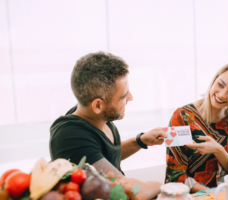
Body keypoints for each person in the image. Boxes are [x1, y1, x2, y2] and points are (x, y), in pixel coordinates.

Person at [50, 51, 167, 199]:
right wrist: (159, 185)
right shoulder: (70, 137)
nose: (130, 98)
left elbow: (103, 156)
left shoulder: (93, 115)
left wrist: (140, 141)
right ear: (98, 105)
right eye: (123, 96)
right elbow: (128, 191)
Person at [165, 62, 228, 192]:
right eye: (220, 84)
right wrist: (214, 194)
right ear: (214, 80)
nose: (222, 94)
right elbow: (173, 177)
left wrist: (219, 151)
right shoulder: (181, 116)